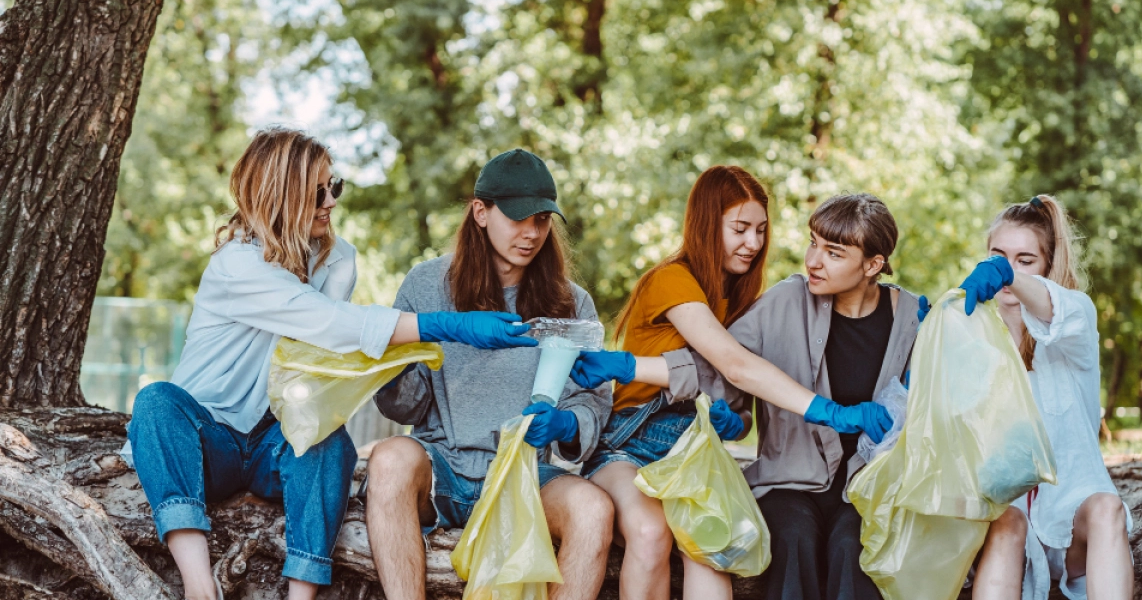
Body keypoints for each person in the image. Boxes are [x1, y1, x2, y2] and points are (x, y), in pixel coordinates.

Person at [124, 129, 532, 600]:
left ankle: (302, 592)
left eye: (333, 186)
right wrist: (448, 325)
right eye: (317, 192)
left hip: (274, 441)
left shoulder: (338, 261)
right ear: (281, 195)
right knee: (155, 401)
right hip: (207, 439)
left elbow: (329, 355)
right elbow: (329, 322)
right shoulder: (236, 264)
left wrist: (404, 356)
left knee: (329, 439)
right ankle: (199, 585)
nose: (331, 201)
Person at [574, 193, 918, 600]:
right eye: (813, 243)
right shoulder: (786, 302)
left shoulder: (913, 318)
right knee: (792, 538)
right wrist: (630, 366)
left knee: (854, 547)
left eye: (833, 253)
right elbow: (720, 364)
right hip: (789, 482)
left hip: (868, 484)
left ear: (873, 265)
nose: (813, 260)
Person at [365, 148, 614, 600]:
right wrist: (403, 361)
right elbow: (400, 405)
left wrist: (566, 424)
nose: (532, 232)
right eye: (518, 218)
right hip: (443, 468)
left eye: (542, 219)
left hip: (526, 475)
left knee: (593, 509)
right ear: (481, 212)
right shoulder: (425, 284)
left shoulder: (572, 301)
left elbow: (591, 401)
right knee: (389, 459)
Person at [577, 166, 765, 600]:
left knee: (711, 544)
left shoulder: (743, 302)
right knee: (650, 531)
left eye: (760, 230)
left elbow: (742, 408)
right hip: (630, 447)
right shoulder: (672, 280)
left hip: (695, 455)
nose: (753, 243)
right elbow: (726, 367)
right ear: (706, 224)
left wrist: (735, 423)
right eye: (740, 229)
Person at [961, 196, 1133, 600]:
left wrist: (1007, 275)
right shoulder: (972, 338)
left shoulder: (1075, 320)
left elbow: (1057, 309)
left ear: (1047, 267)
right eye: (998, 258)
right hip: (1008, 524)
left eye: (1025, 260)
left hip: (1074, 521)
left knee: (1107, 508)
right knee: (1007, 522)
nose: (1008, 271)